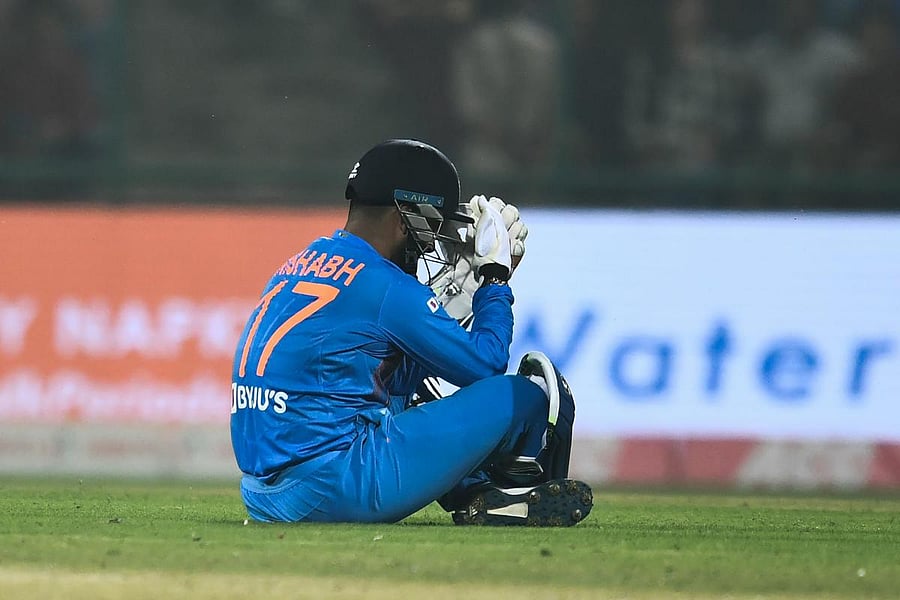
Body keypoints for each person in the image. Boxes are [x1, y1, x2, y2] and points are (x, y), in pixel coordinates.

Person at [231, 139, 592, 526]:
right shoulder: (386, 286)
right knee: (530, 392)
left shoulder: (301, 261)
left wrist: (454, 307)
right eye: (432, 227)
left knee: (410, 385)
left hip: (261, 492)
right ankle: (504, 494)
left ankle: (481, 495)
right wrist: (494, 279)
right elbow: (486, 364)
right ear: (404, 221)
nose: (432, 244)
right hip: (332, 487)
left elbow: (385, 370)